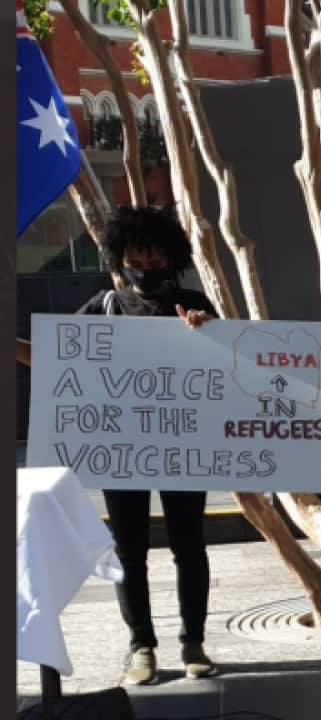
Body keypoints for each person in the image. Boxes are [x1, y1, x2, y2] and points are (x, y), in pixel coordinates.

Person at [16, 205, 220, 685]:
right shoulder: (103, 307)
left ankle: (194, 643)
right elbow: (56, 360)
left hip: (180, 448)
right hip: (120, 452)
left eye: (155, 263)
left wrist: (207, 332)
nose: (145, 272)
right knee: (130, 552)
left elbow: (228, 368)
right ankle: (141, 647)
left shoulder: (194, 303)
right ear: (118, 259)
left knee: (189, 546)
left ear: (172, 260)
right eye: (136, 262)